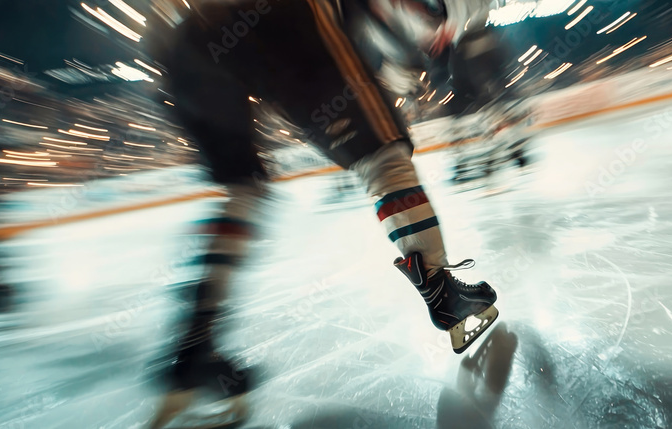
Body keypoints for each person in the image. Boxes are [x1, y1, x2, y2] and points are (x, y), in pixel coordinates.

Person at [146, 0, 499, 427]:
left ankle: (194, 349)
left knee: (241, 189)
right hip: (287, 16)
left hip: (187, 40)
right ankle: (444, 293)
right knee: (383, 157)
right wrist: (432, 22)